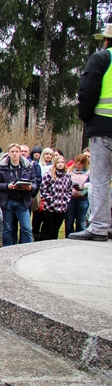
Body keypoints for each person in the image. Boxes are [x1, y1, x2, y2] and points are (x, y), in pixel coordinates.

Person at [69, 22, 112, 241]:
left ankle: (99, 226)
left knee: (100, 179)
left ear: (106, 39)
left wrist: (86, 118)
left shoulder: (103, 58)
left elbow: (87, 90)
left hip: (104, 126)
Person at [0, 143, 38, 247]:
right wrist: (7, 186)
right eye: (12, 152)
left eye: (16, 151)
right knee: (7, 228)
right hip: (8, 200)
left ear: (20, 153)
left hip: (23, 200)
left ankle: (27, 249)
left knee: (26, 228)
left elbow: (35, 182)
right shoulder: (1, 167)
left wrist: (31, 187)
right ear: (8, 153)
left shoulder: (28, 166)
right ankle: (7, 249)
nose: (14, 154)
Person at [39, 155, 72, 240]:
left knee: (56, 230)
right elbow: (43, 189)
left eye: (62, 162)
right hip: (50, 207)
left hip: (62, 207)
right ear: (55, 164)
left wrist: (66, 200)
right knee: (48, 229)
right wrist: (51, 200)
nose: (60, 164)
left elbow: (69, 190)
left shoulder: (67, 176)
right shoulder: (49, 175)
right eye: (58, 162)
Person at [65, 153, 90, 238]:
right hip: (71, 198)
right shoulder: (69, 172)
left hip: (83, 199)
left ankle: (81, 239)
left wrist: (85, 187)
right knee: (69, 221)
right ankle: (68, 237)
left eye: (81, 164)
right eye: (77, 163)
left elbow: (91, 185)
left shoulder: (89, 173)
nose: (78, 166)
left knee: (81, 221)